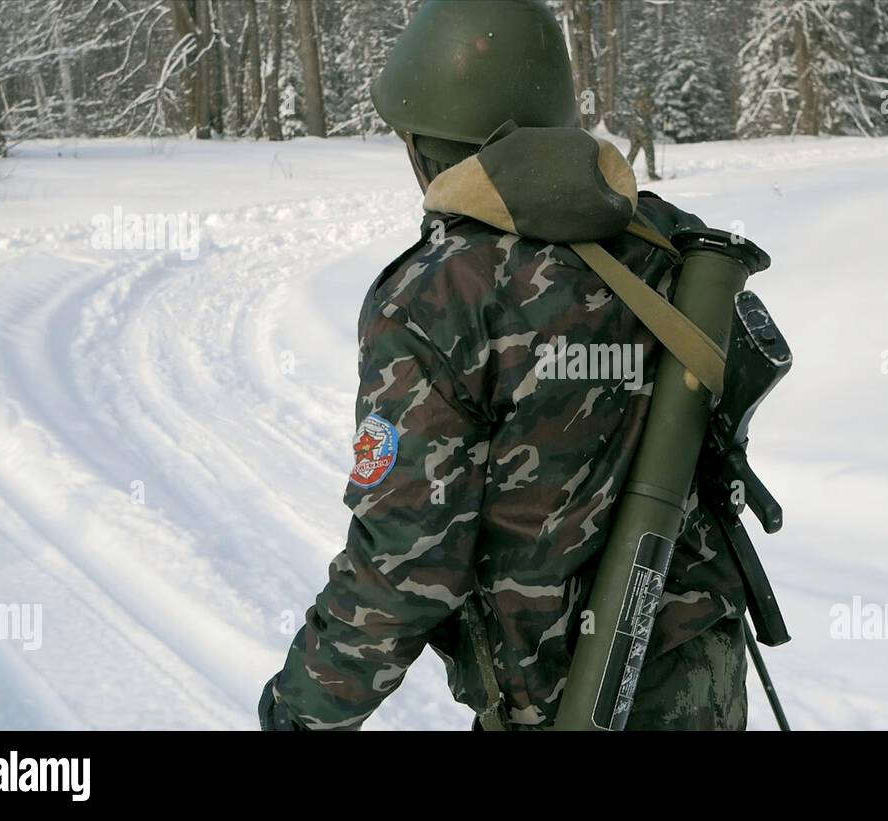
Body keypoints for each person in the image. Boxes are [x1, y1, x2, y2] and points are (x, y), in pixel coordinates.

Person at [258, 0, 747, 731]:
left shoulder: (439, 297)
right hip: (701, 677)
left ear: (428, 143)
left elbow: (405, 566)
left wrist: (303, 709)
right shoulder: (668, 245)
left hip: (572, 703)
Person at [623, 95, 663, 182]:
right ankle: (651, 174)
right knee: (649, 151)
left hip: (633, 129)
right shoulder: (646, 101)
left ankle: (624, 172)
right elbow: (650, 112)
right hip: (642, 130)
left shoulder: (636, 101)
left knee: (633, 151)